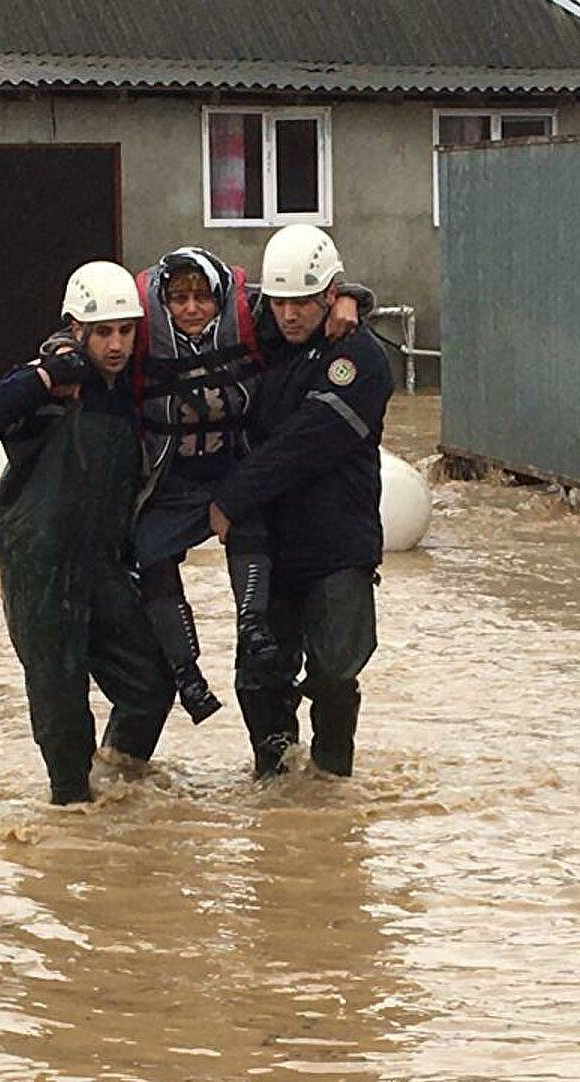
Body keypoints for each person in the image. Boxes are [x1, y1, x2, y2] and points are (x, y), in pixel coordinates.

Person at [0, 261, 175, 805]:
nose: (118, 345)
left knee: (151, 683)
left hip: (101, 564)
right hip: (41, 566)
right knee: (60, 699)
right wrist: (44, 377)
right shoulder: (48, 385)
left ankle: (120, 782)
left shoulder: (132, 389)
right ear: (77, 331)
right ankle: (73, 811)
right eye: (103, 333)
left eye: (127, 331)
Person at [123, 246, 369, 725]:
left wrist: (356, 297)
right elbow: (82, 334)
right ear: (163, 301)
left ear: (219, 298)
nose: (192, 309)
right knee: (150, 553)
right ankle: (185, 672)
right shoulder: (136, 328)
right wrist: (58, 357)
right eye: (179, 299)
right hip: (170, 482)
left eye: (202, 298)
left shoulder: (254, 318)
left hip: (233, 475)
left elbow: (305, 296)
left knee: (249, 526)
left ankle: (252, 623)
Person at [209, 225, 394, 779]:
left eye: (304, 303)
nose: (290, 316)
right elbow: (181, 303)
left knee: (335, 674)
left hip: (338, 546)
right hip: (266, 545)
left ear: (329, 293)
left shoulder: (359, 357)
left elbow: (306, 442)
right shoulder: (257, 337)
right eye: (281, 302)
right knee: (259, 675)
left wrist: (231, 498)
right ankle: (277, 784)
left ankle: (332, 779)